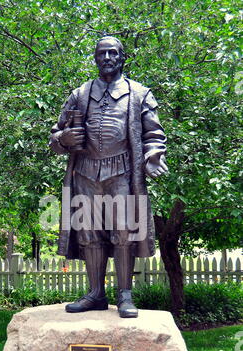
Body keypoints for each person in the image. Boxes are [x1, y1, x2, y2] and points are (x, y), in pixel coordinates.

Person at [49, 36, 168, 318]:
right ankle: (95, 294)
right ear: (95, 58)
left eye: (113, 53)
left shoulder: (139, 94)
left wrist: (153, 156)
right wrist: (63, 138)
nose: (107, 58)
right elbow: (54, 137)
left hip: (123, 172)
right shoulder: (80, 93)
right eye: (102, 53)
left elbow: (154, 134)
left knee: (123, 233)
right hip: (86, 172)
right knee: (90, 234)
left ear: (122, 57)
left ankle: (125, 295)